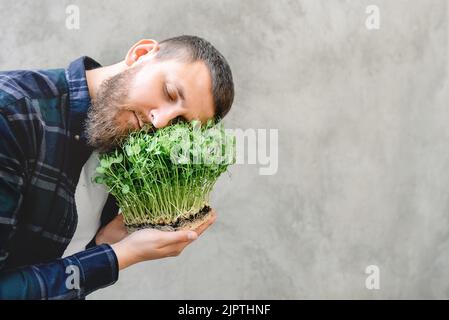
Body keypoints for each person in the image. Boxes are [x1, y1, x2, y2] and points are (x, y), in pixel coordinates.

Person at [0, 35, 234, 299]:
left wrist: (102, 244)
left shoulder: (122, 148)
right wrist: (120, 256)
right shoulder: (11, 114)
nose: (160, 121)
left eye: (180, 123)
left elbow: (48, 266)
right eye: (168, 93)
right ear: (140, 54)